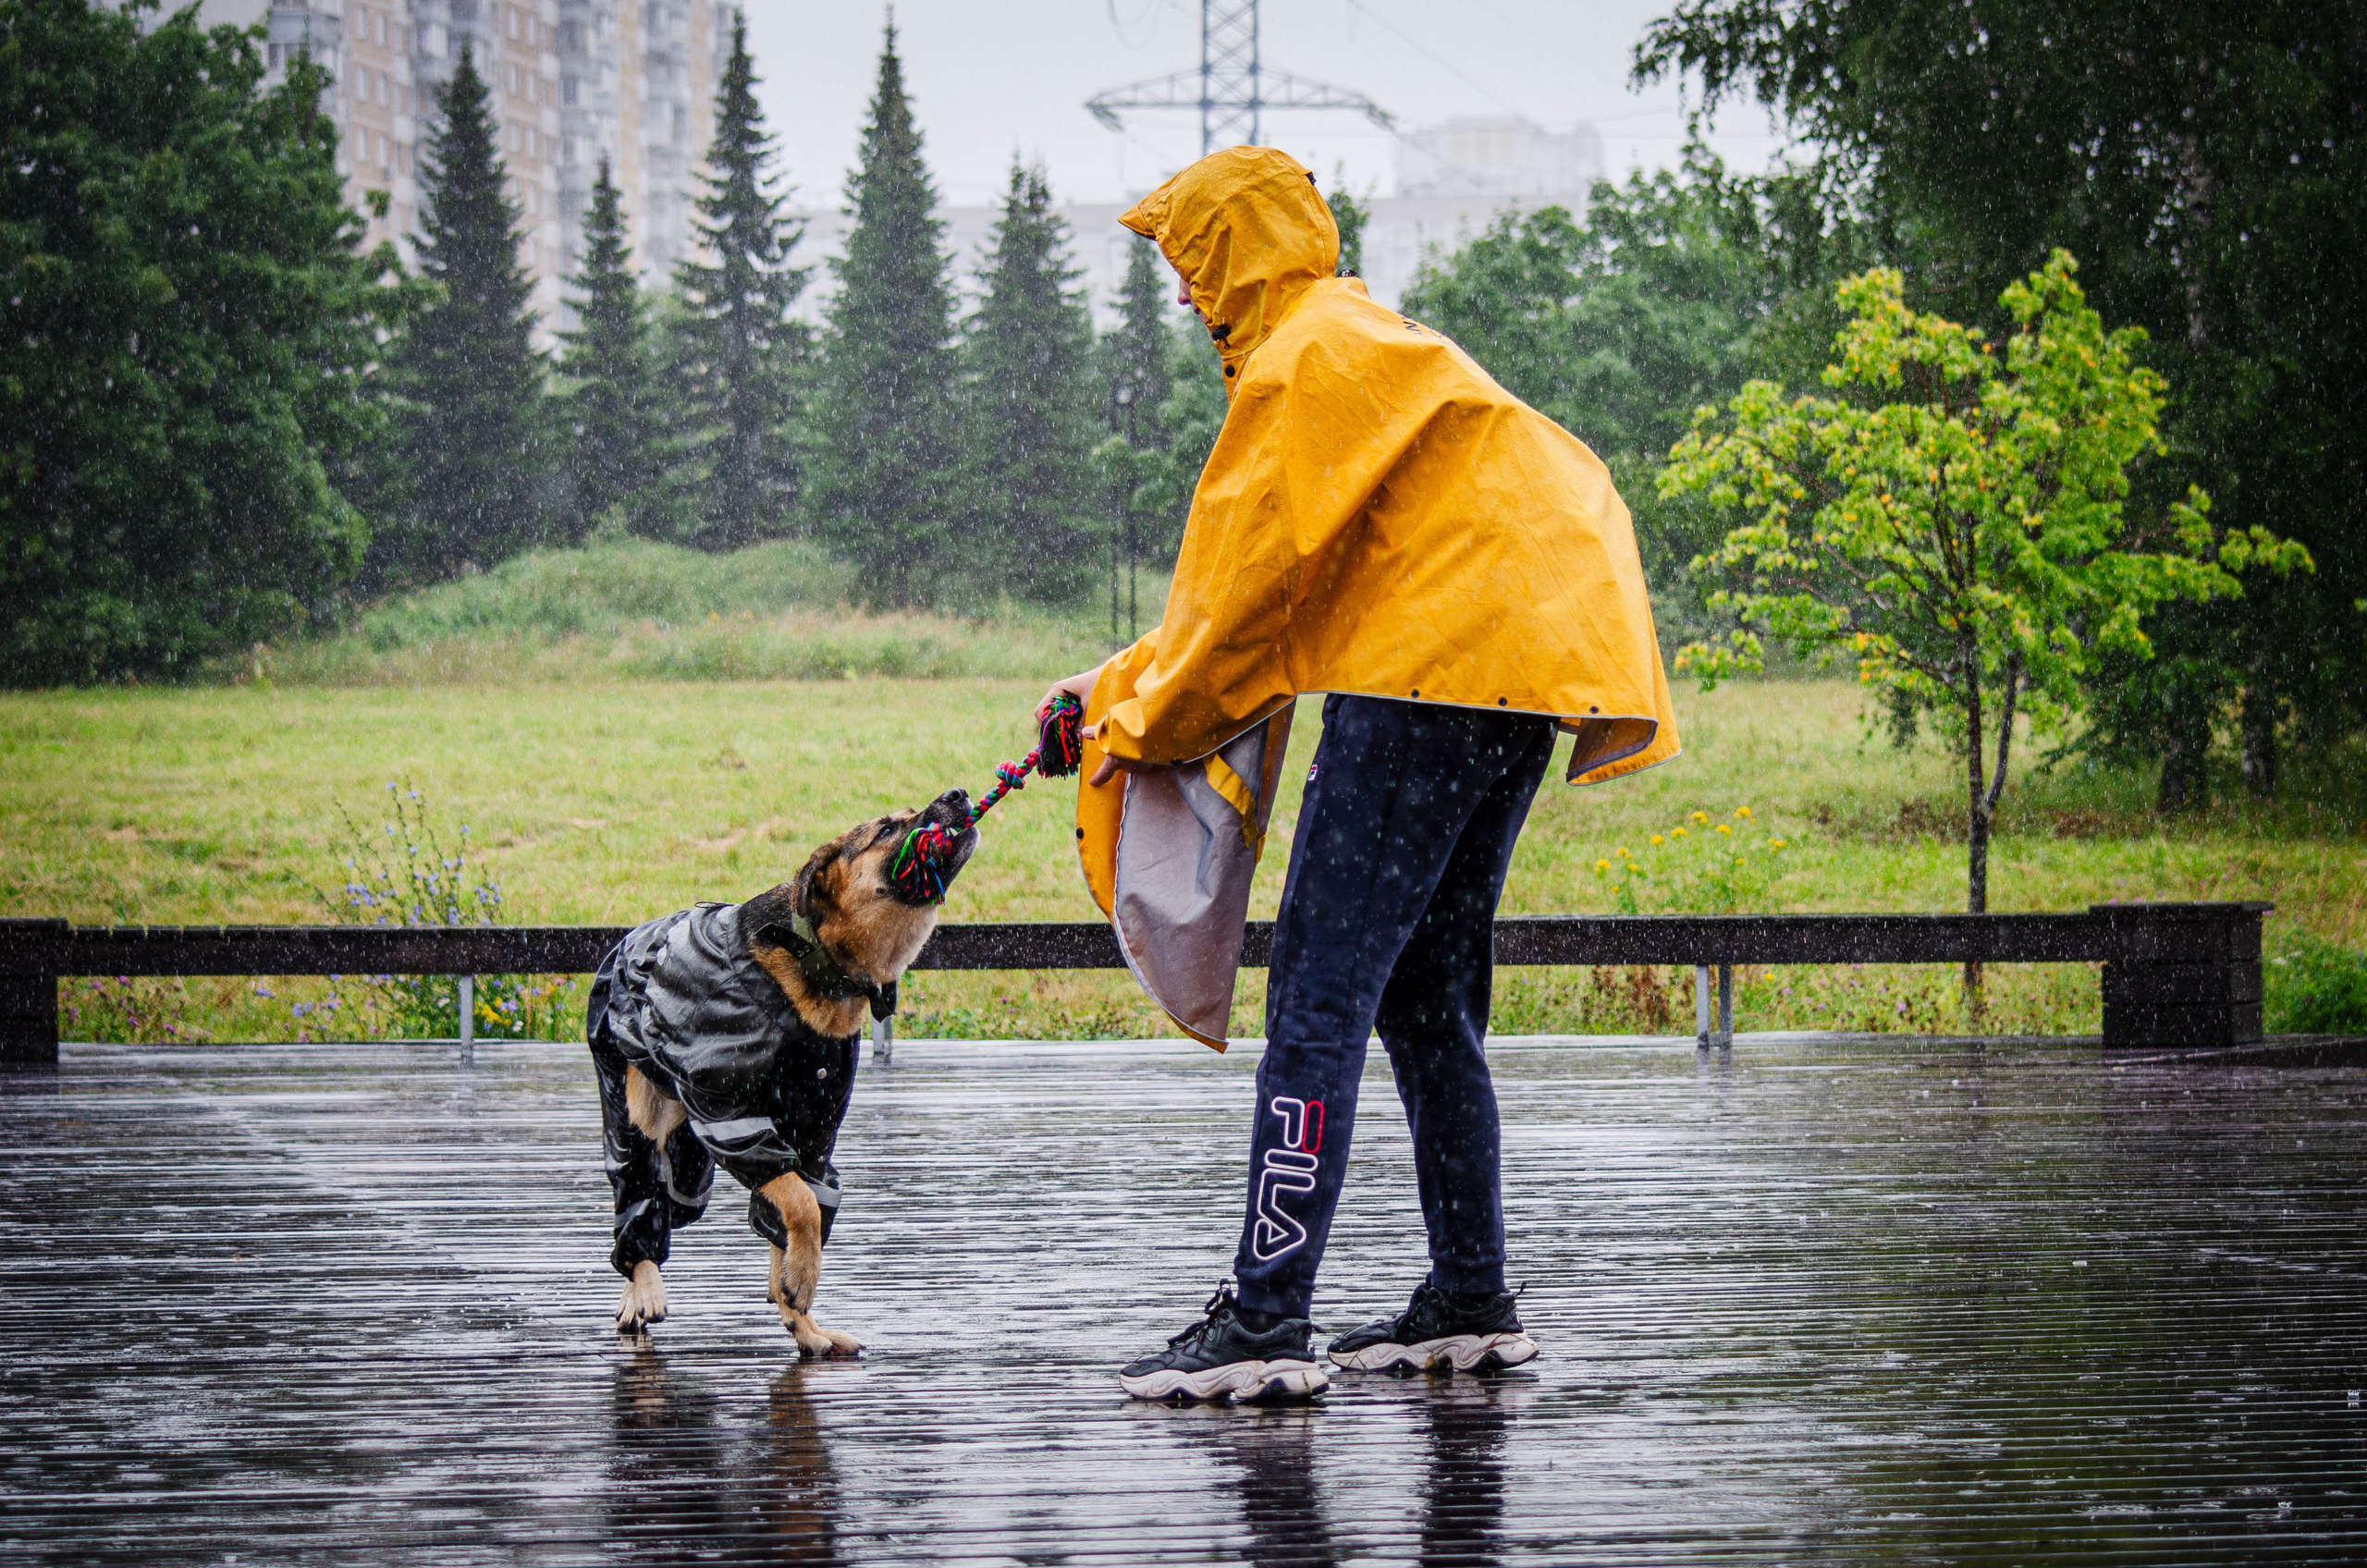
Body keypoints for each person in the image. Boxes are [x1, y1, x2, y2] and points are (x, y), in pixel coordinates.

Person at [1039, 147, 1679, 1403]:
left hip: (1428, 680)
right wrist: (1117, 686)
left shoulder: (1300, 363)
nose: (1183, 297)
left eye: (1191, 263)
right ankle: (1470, 1292)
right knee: (1431, 998)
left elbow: (1232, 620)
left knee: (1321, 998)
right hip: (1527, 671)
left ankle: (1267, 1316)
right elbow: (1265, 601)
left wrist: (1118, 717)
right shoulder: (1365, 336)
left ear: (1237, 255)